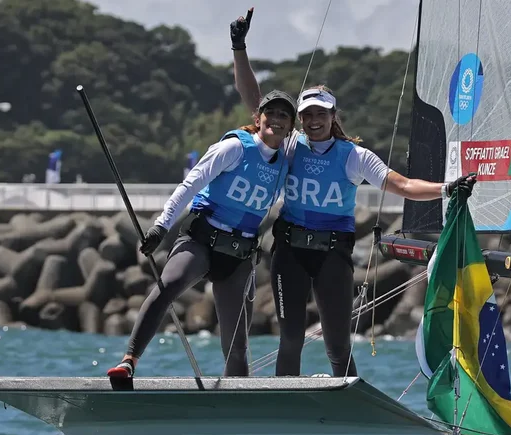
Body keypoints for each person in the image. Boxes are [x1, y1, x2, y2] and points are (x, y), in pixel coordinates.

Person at [229, 9, 478, 377]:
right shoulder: (291, 145)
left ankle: (348, 405)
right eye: (307, 115)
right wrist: (239, 47)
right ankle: (284, 404)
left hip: (333, 254)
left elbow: (403, 185)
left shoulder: (354, 157)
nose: (314, 121)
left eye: (321, 114)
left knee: (338, 343)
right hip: (290, 253)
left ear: (333, 117)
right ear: (299, 120)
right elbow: (255, 100)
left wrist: (447, 189)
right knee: (291, 340)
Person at [107, 89, 298, 378]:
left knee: (236, 345)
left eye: (284, 115)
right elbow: (191, 184)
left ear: (291, 126)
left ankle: (237, 399)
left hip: (239, 255)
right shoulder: (234, 148)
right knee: (167, 286)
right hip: (202, 240)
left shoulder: (287, 162)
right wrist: (161, 226)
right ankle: (128, 361)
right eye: (270, 112)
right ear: (258, 118)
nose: (276, 119)